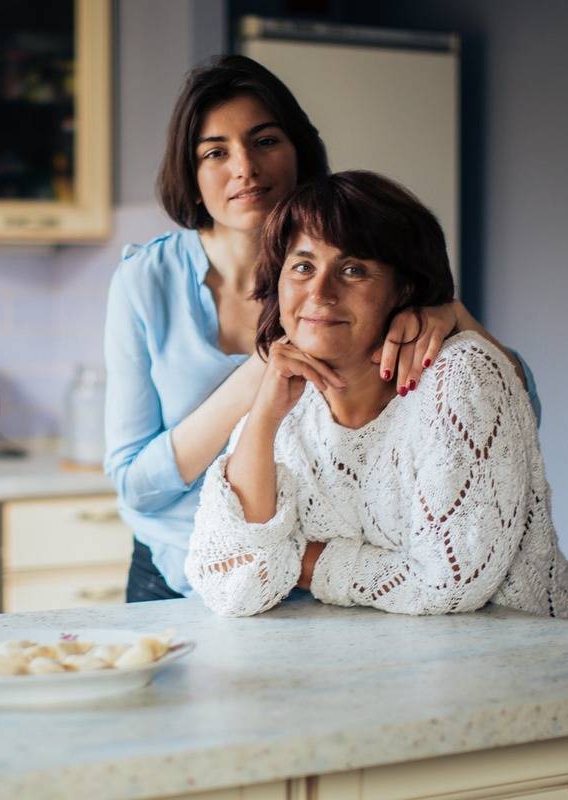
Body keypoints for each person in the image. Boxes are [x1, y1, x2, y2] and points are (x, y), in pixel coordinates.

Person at [105, 55, 543, 603]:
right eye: (215, 152)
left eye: (265, 141)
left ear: (299, 153)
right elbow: (134, 486)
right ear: (190, 176)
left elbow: (510, 417)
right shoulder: (147, 281)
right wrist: (263, 376)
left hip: (337, 575)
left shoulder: (361, 266)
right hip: (185, 571)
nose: (245, 168)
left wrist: (455, 318)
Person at [186, 171, 568, 623]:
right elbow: (231, 585)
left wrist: (305, 561)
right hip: (384, 668)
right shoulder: (287, 403)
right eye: (302, 266)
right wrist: (262, 417)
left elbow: (450, 584)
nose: (320, 292)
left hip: (525, 667)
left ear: (405, 287)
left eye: (353, 270)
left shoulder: (460, 376)